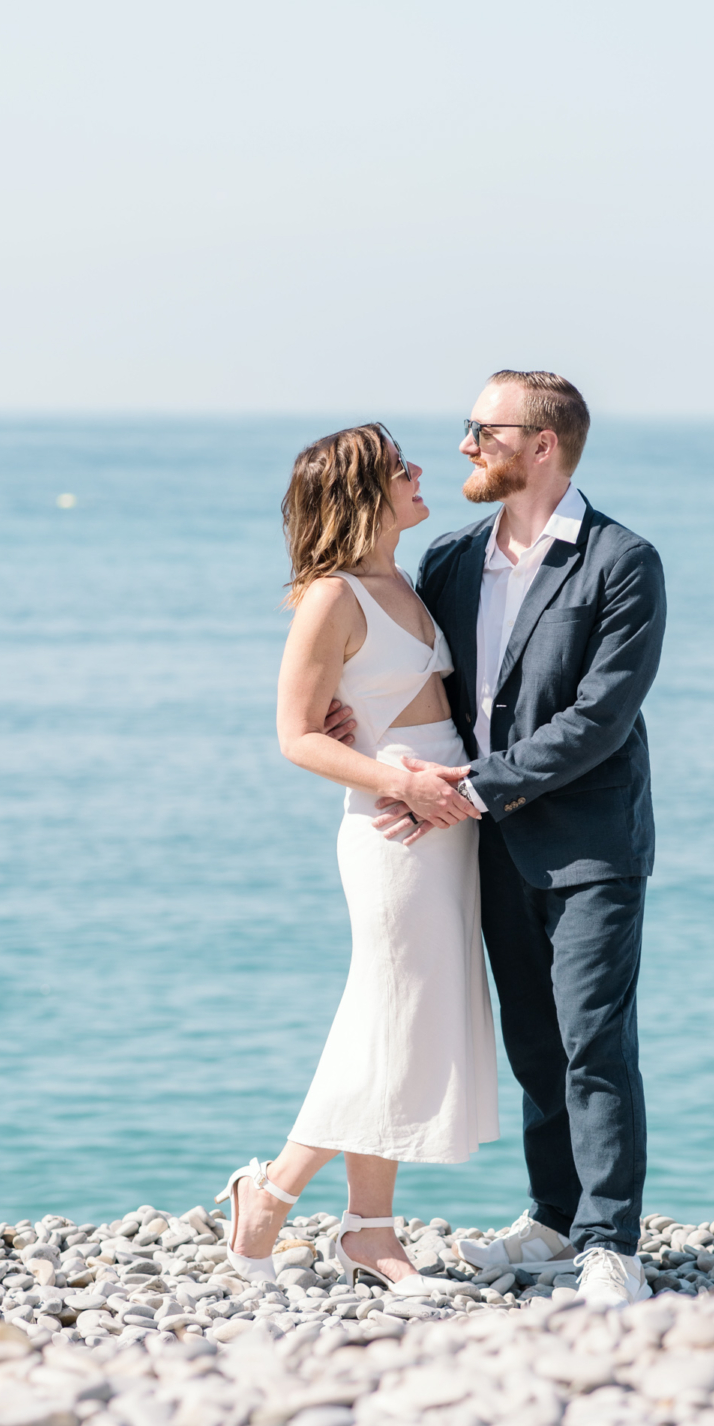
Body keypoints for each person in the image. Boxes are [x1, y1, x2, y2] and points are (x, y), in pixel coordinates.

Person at [368, 371, 667, 1308]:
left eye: (479, 429)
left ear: (542, 445)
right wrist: (362, 735)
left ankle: (611, 1241)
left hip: (589, 845)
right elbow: (425, 685)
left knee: (591, 1042)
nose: (463, 445)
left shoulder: (623, 561)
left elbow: (601, 719)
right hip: (487, 843)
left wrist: (472, 791)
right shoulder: (451, 562)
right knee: (534, 1042)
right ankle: (552, 1214)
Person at [217, 423, 498, 1294]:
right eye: (400, 468)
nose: (423, 473)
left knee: (405, 1027)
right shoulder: (331, 598)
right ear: (360, 494)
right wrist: (395, 779)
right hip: (391, 833)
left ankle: (370, 1233)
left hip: (446, 825)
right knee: (386, 1020)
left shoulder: (403, 581)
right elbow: (296, 736)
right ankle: (267, 1197)